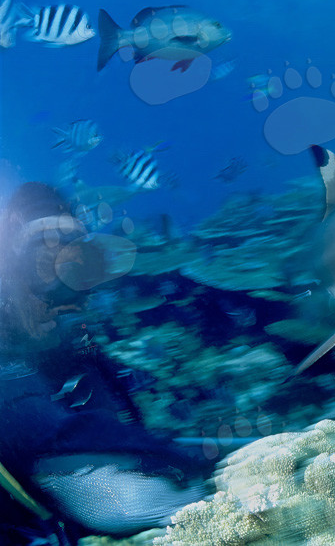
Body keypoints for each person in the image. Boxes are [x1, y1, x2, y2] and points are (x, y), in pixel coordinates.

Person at [0, 183, 208, 544]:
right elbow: (114, 500)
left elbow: (120, 433)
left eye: (79, 264)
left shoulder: (74, 354)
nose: (69, 291)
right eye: (45, 266)